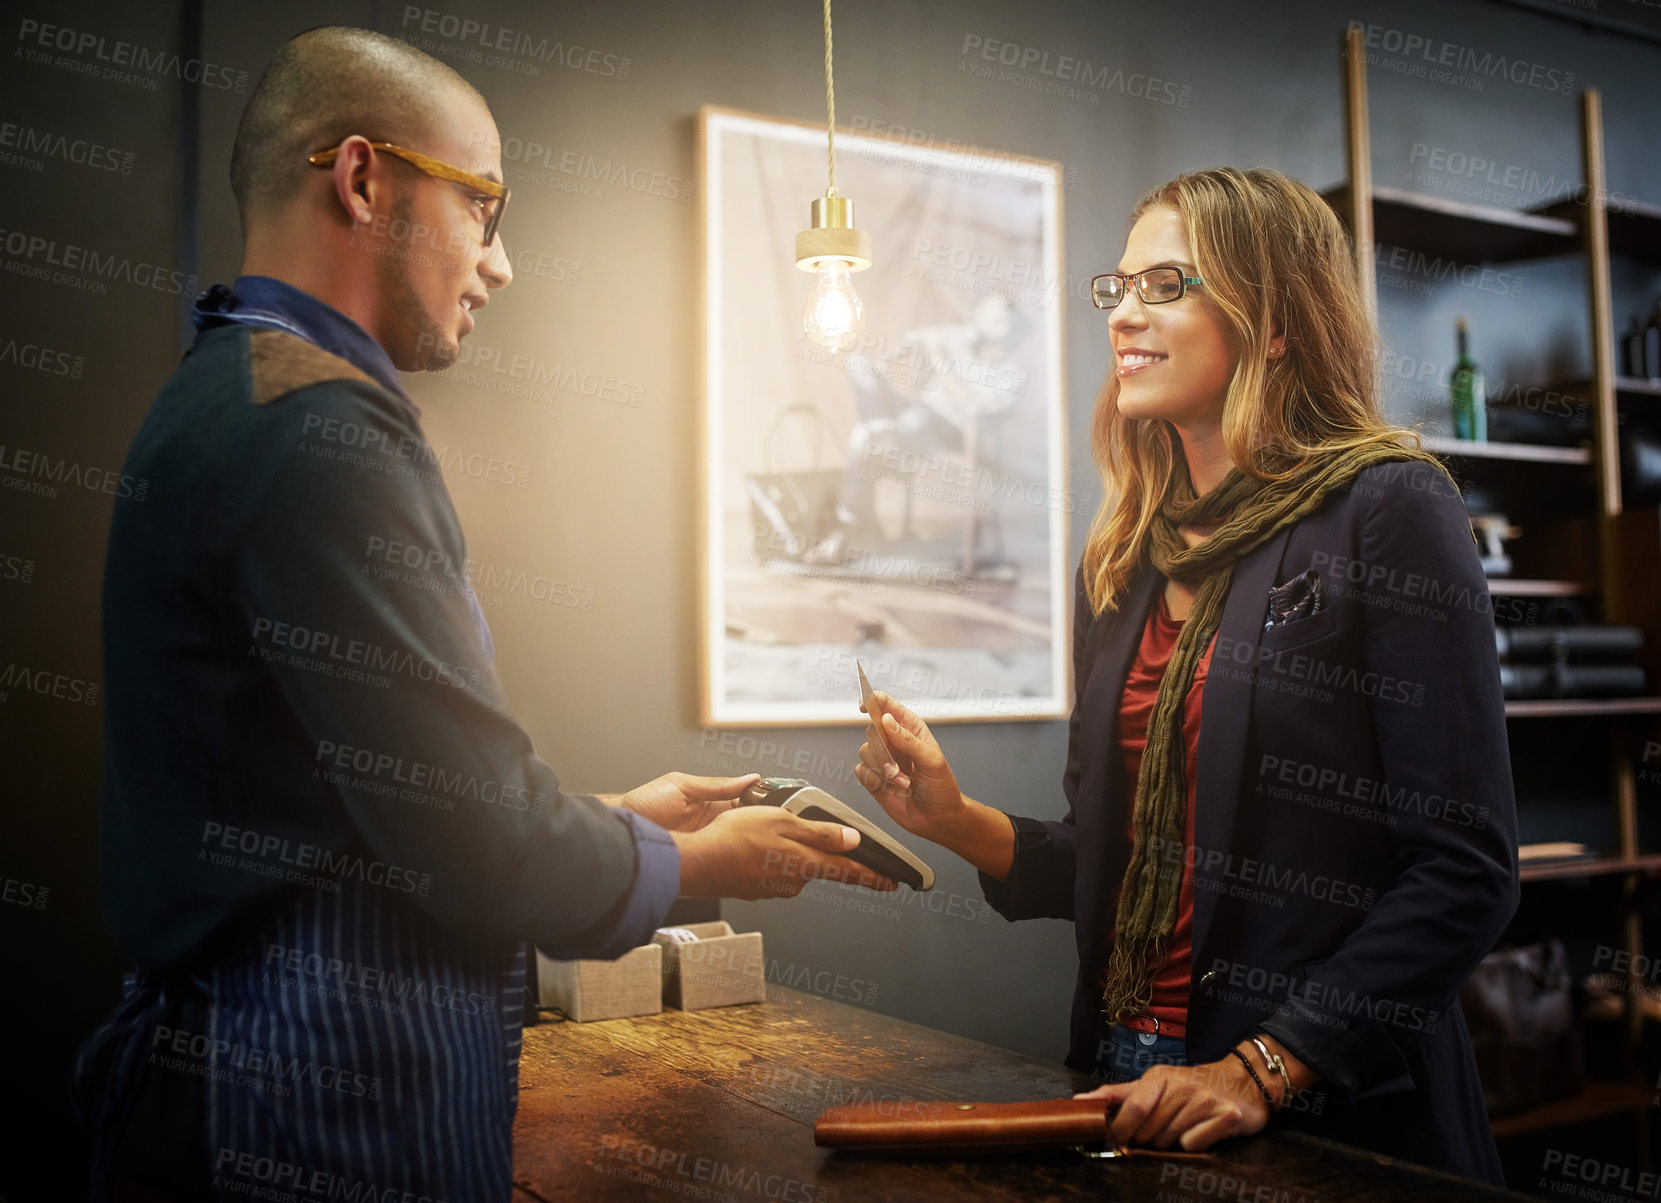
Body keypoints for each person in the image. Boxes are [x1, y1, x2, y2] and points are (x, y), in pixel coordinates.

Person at [73, 26, 892, 1201]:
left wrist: (620, 817)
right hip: (303, 1107)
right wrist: (696, 860)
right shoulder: (321, 433)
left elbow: (358, 806)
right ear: (362, 179)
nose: (499, 265)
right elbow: (476, 843)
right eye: (485, 209)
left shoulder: (233, 385)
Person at [854, 167, 1519, 1184]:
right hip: (1131, 1072)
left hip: (1318, 1096)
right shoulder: (1124, 556)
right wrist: (948, 818)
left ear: (1276, 320)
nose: (1124, 313)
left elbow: (1463, 871)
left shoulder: (1387, 508)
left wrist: (1259, 1067)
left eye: (1167, 285)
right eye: (1116, 288)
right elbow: (1105, 859)